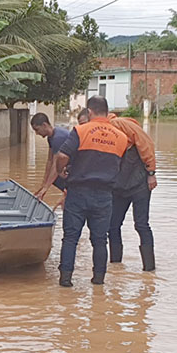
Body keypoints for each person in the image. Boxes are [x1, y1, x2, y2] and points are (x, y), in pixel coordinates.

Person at [48, 96, 128, 287]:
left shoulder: (81, 131)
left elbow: (62, 155)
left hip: (78, 192)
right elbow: (120, 165)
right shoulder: (121, 137)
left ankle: (66, 279)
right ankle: (98, 280)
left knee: (70, 238)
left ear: (90, 112)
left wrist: (61, 171)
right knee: (100, 240)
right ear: (107, 113)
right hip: (105, 195)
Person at [107, 113, 157, 271]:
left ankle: (149, 270)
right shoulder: (99, 132)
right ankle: (116, 266)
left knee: (141, 225)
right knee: (112, 225)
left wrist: (151, 173)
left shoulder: (120, 124)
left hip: (140, 184)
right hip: (118, 186)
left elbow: (146, 144)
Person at [30, 113, 69, 208]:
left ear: (44, 125)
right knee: (53, 180)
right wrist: (43, 184)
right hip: (67, 168)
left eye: (37, 130)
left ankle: (68, 194)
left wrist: (45, 189)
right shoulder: (51, 138)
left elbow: (56, 166)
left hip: (75, 169)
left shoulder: (58, 138)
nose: (37, 133)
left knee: (57, 176)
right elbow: (50, 161)